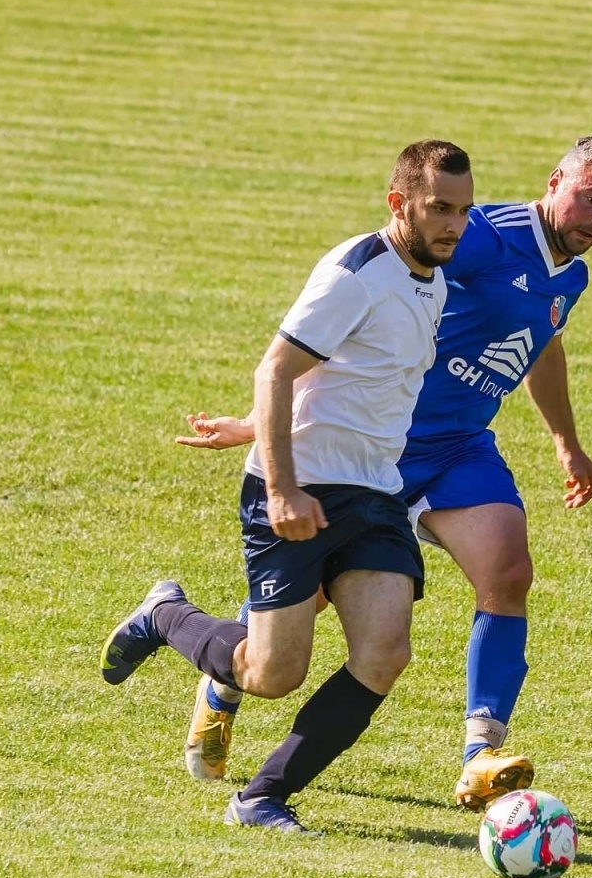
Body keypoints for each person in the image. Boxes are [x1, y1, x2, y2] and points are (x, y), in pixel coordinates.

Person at [175, 135, 592, 810]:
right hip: (377, 452)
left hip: (459, 449)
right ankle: (224, 680)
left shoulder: (570, 275)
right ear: (555, 182)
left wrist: (567, 444)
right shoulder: (480, 237)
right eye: (591, 198)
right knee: (299, 619)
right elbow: (371, 321)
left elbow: (542, 347)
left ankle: (481, 754)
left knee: (508, 572)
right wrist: (259, 425)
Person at [99, 139, 475, 834]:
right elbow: (276, 369)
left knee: (386, 653)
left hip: (373, 496)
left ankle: (262, 797)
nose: (454, 224)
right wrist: (280, 485)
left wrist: (246, 428)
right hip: (298, 490)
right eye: (439, 209)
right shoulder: (356, 272)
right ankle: (163, 616)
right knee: (272, 673)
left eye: (463, 210)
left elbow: (351, 384)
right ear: (400, 204)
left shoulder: (435, 281)